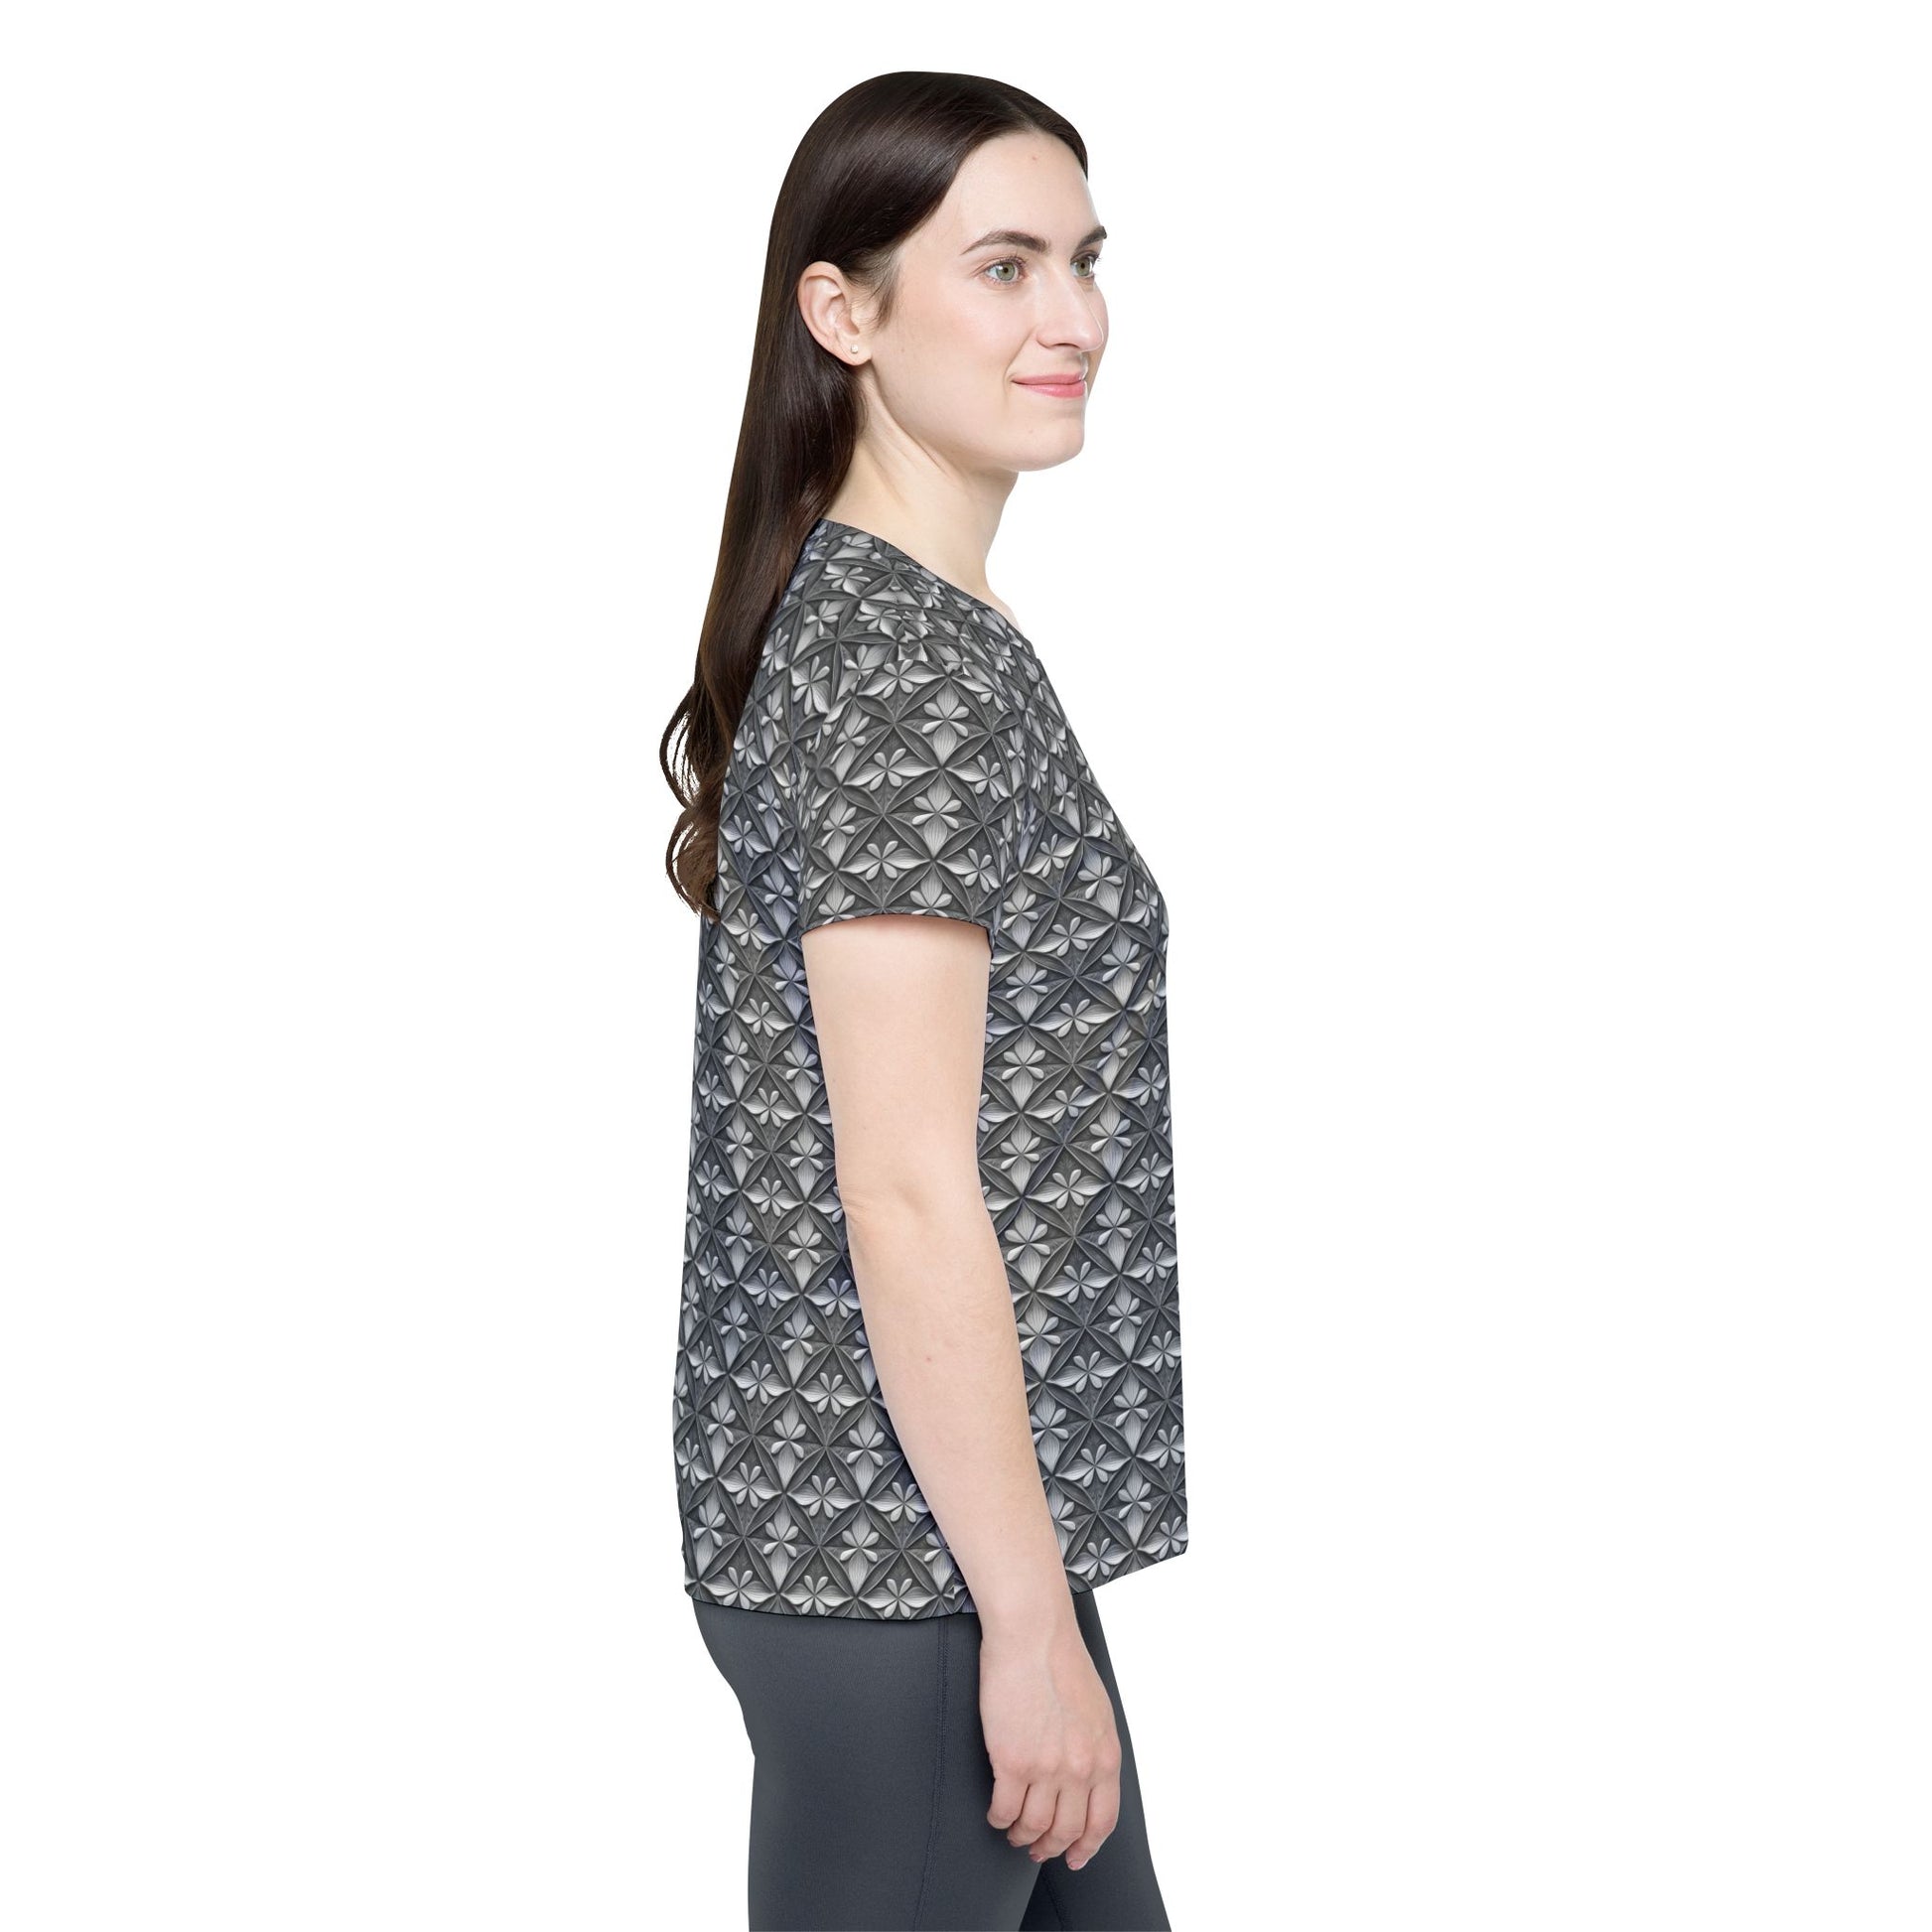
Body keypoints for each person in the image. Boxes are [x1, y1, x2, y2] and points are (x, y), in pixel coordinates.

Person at [661, 70, 1187, 1932]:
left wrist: (1032, 1595)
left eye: (1085, 261)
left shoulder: (914, 628)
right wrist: (1025, 1623)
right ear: (845, 312)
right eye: (1004, 265)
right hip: (897, 1568)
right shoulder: (905, 672)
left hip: (954, 1537)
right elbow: (901, 1188)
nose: (1073, 318)